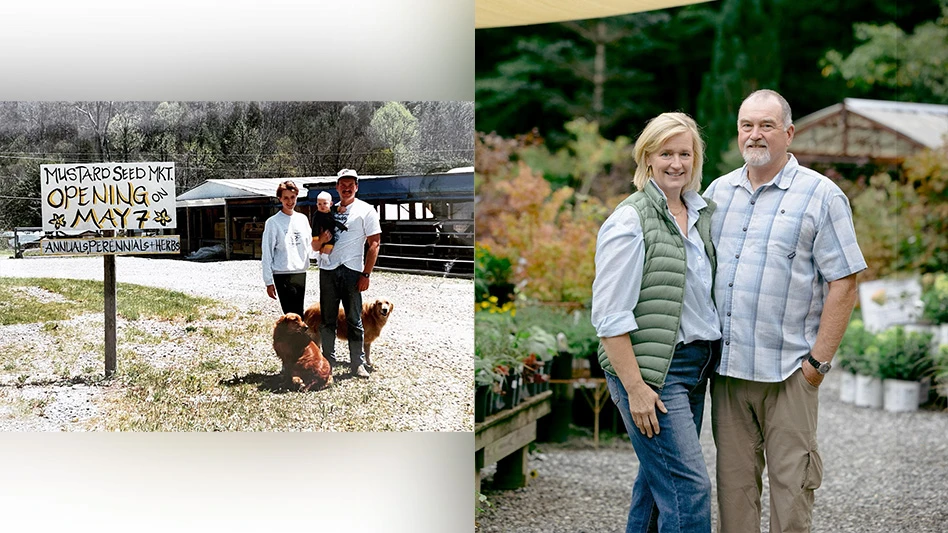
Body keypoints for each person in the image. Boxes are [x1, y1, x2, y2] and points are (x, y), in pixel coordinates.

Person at [703, 89, 867, 533]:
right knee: (734, 495)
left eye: (766, 126)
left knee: (792, 494)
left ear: (788, 133)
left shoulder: (821, 195)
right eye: (746, 126)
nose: (755, 135)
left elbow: (845, 281)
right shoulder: (718, 193)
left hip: (789, 374)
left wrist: (815, 365)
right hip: (730, 374)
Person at [591, 112, 722, 533]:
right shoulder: (630, 221)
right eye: (666, 153)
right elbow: (610, 317)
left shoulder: (699, 214)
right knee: (689, 489)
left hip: (693, 367)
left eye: (685, 153)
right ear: (647, 158)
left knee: (655, 484)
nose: (676, 163)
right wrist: (636, 389)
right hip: (652, 374)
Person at [312, 168, 381, 379]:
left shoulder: (366, 210)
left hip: (352, 271)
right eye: (343, 185)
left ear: (357, 187)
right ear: (337, 187)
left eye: (351, 185)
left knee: (354, 318)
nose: (347, 188)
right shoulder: (328, 210)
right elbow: (315, 244)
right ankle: (328, 362)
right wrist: (321, 241)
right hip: (328, 270)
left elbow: (374, 243)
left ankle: (357, 363)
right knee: (327, 319)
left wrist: (366, 274)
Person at [261, 180, 312, 316]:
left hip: (300, 272)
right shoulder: (273, 222)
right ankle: (291, 337)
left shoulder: (302, 219)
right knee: (290, 316)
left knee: (299, 314)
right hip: (282, 274)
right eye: (286, 198)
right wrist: (268, 281)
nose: (290, 201)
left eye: (292, 197)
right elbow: (267, 253)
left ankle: (297, 338)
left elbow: (309, 246)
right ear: (280, 199)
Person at [311, 190, 348, 255]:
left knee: (330, 244)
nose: (322, 206)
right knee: (326, 244)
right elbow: (315, 226)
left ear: (330, 204)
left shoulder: (331, 210)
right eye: (319, 204)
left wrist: (340, 209)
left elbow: (335, 208)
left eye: (325, 203)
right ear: (317, 205)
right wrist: (315, 238)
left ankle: (325, 255)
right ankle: (323, 255)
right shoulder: (317, 215)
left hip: (331, 230)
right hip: (322, 233)